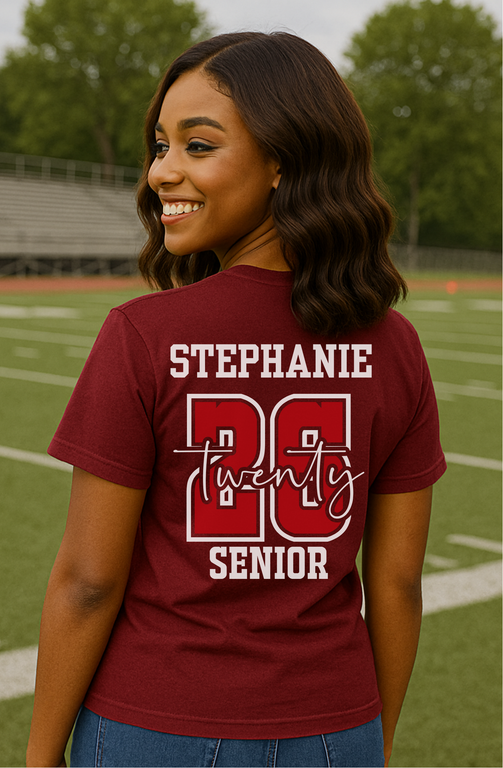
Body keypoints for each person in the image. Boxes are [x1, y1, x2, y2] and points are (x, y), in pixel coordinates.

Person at [26, 32, 445, 768]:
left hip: (154, 725)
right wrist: (365, 741)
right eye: (160, 145)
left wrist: (37, 753)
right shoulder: (395, 346)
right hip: (335, 727)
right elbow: (398, 582)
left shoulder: (142, 334)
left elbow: (90, 582)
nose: (162, 172)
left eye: (198, 145)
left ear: (284, 157)